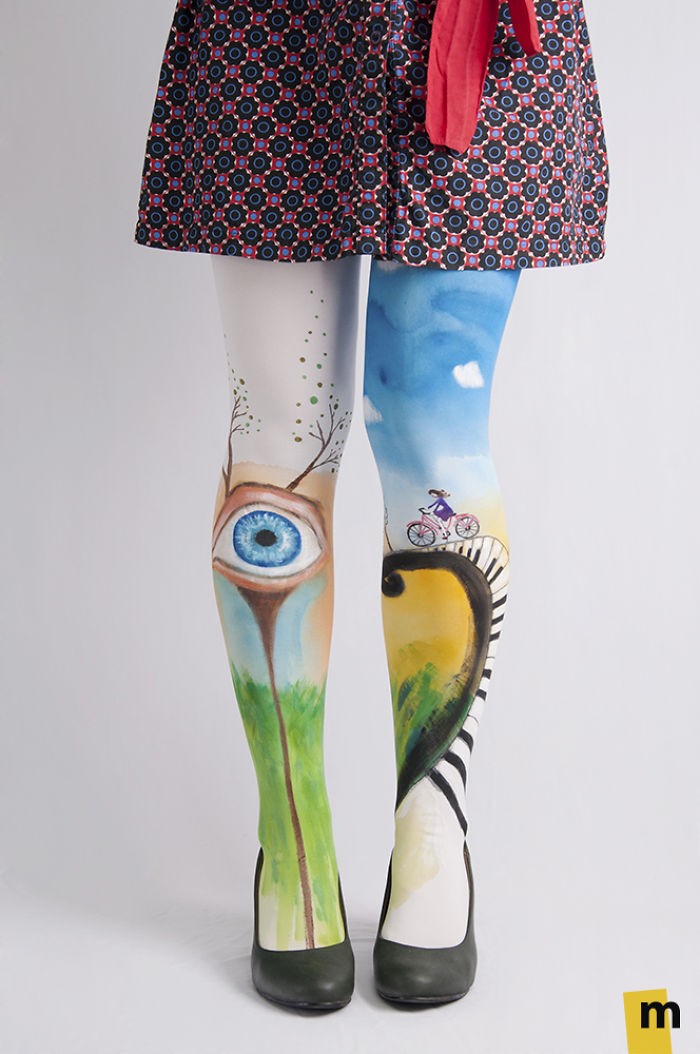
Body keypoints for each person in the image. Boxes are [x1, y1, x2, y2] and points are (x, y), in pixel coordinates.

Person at [133, 0, 609, 1010]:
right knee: (280, 443)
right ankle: (292, 834)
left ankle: (432, 830)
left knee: (437, 447)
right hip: (273, 31)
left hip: (477, 35)